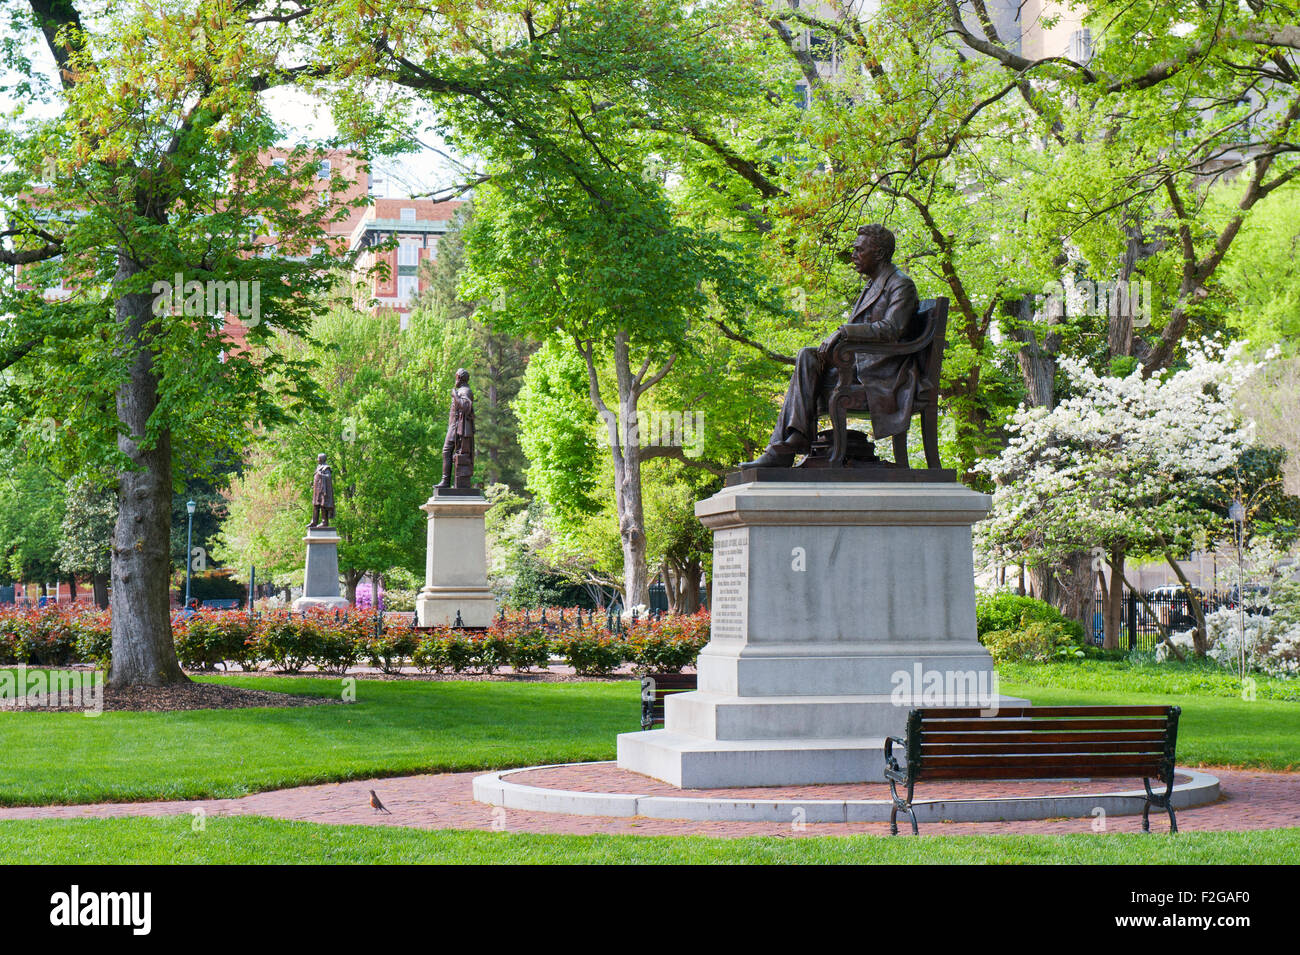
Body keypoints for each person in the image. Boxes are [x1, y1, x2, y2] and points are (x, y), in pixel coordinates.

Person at [742, 223, 920, 469]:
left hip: (885, 372)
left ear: (878, 253)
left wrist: (843, 331)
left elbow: (891, 330)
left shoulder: (901, 284)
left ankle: (785, 447)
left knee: (808, 362)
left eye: (859, 250)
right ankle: (786, 443)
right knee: (808, 356)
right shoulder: (872, 284)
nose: (853, 255)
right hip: (861, 366)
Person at [436, 368, 475, 488]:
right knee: (447, 452)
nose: (455, 380)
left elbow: (465, 406)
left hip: (457, 428)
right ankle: (446, 481)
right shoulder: (463, 390)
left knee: (447, 451)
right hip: (454, 426)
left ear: (459, 378)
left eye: (456, 377)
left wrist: (455, 395)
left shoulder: (465, 391)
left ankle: (446, 481)